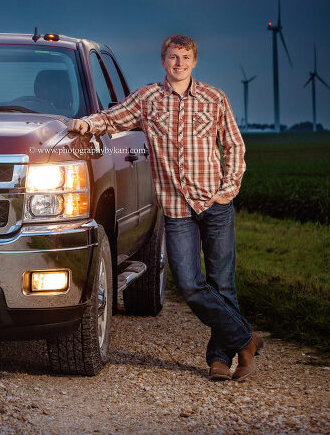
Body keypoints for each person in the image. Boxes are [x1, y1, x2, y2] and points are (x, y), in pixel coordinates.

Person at [67, 34, 264, 381]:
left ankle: (221, 359)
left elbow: (234, 145)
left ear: (194, 61)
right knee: (188, 284)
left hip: (214, 204)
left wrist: (227, 189)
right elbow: (113, 118)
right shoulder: (147, 99)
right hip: (176, 209)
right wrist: (87, 124)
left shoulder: (214, 98)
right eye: (173, 57)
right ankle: (247, 338)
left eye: (185, 57)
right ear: (164, 61)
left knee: (222, 284)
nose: (179, 63)